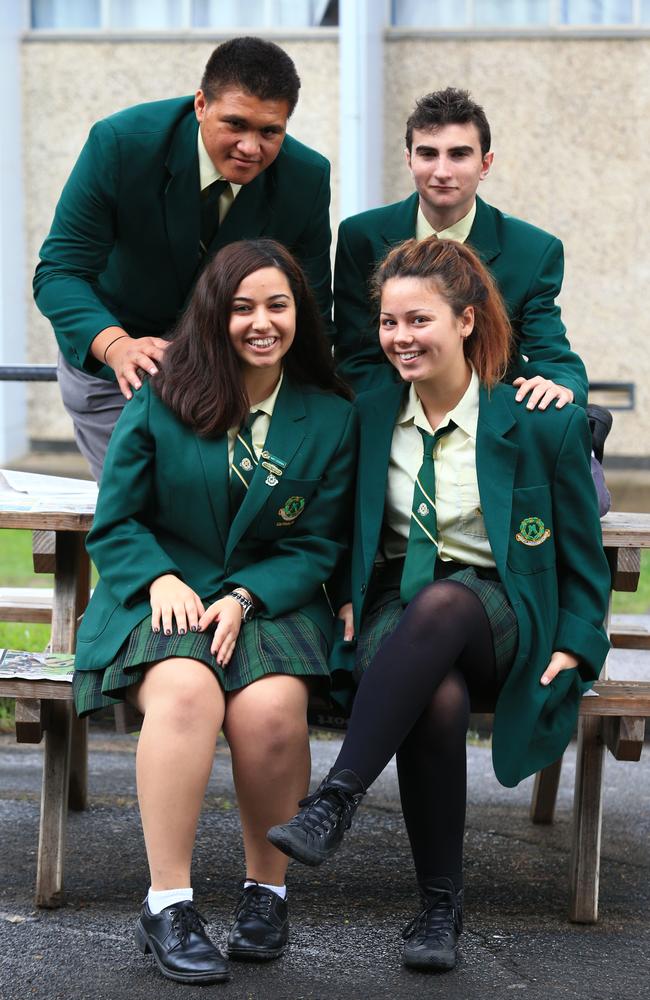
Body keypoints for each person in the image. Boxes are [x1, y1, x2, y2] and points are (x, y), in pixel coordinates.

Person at [268, 237, 610, 973]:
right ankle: (438, 910)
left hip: (504, 615)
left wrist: (577, 643)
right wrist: (342, 600)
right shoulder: (365, 414)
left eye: (418, 321)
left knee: (450, 602)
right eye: (389, 323)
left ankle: (336, 797)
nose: (400, 339)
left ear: (465, 321)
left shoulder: (535, 422)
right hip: (397, 607)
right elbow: (329, 528)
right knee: (439, 697)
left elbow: (583, 557)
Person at [73, 239, 356, 985]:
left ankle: (267, 892)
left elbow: (320, 543)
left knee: (269, 710)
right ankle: (168, 903)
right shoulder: (163, 395)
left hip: (268, 599)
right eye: (242, 307)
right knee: (189, 691)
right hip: (159, 594)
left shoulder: (329, 417)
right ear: (214, 314)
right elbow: (118, 520)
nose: (261, 322)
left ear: (300, 313)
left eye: (277, 305)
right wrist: (161, 578)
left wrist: (246, 594)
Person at [33, 36, 333, 482]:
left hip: (233, 373)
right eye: (235, 124)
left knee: (224, 518)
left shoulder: (307, 177)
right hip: (115, 369)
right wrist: (118, 347)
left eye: (270, 131)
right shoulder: (120, 144)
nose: (251, 147)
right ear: (200, 105)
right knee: (142, 509)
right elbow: (59, 272)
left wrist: (313, 403)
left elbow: (311, 308)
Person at [332, 87, 587, 409]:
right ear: (409, 160)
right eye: (428, 154)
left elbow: (551, 354)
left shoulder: (534, 250)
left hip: (492, 419)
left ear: (485, 164)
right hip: (391, 413)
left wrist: (561, 384)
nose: (442, 171)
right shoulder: (361, 236)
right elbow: (356, 356)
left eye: (459, 154)